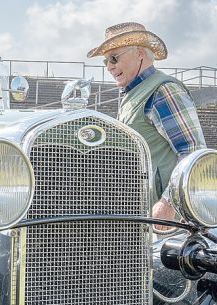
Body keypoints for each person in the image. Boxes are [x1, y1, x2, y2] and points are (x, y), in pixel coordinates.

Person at [87, 22, 206, 223]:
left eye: (114, 58)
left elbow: (193, 152)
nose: (109, 66)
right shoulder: (133, 94)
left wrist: (168, 204)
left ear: (140, 53)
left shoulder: (163, 90)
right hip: (140, 215)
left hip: (164, 220)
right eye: (105, 61)